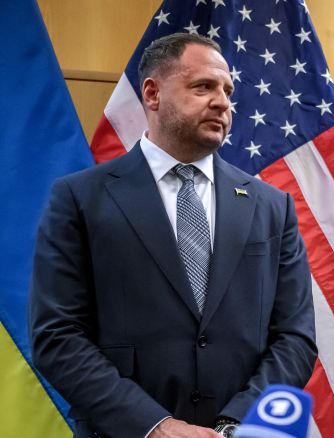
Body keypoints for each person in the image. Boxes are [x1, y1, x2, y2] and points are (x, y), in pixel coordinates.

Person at [29, 33, 316, 438]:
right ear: (152, 93)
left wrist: (237, 423)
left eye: (228, 90)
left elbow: (295, 337)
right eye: (204, 87)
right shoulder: (80, 198)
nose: (223, 102)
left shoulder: (273, 206)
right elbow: (56, 336)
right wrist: (155, 426)